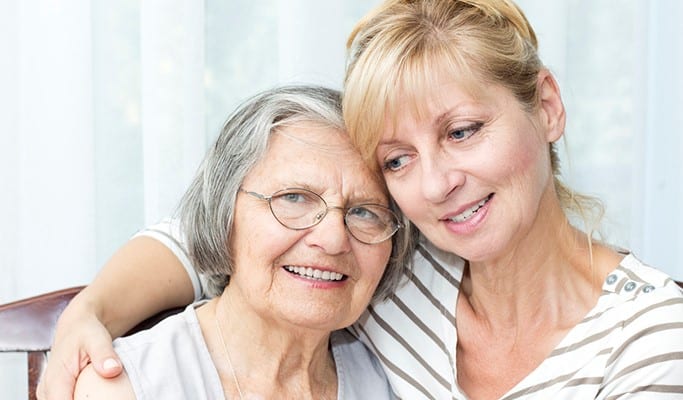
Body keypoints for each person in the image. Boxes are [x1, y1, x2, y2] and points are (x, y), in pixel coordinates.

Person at [40, 1, 683, 399]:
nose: (435, 185)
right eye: (397, 160)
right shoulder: (395, 264)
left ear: (546, 106)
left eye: (462, 132)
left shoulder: (653, 334)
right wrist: (88, 310)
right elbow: (212, 232)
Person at [70, 85, 410, 399]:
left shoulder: (394, 381)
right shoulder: (129, 386)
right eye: (294, 198)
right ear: (225, 214)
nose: (334, 238)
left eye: (365, 212)